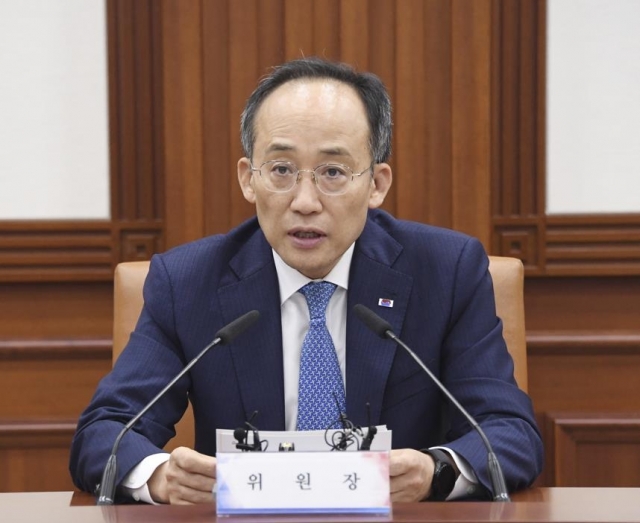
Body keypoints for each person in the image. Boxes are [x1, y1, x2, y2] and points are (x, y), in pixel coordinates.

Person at [69, 57, 543, 504]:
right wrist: (158, 475)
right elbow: (104, 433)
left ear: (376, 183)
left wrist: (435, 472)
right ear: (247, 178)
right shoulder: (188, 282)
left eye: (333, 172)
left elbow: (509, 432)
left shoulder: (446, 271)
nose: (305, 201)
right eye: (281, 170)